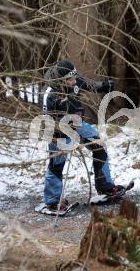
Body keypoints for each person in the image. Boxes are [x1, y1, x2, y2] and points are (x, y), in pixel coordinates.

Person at [41, 60, 123, 213]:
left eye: (74, 77)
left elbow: (88, 84)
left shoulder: (74, 79)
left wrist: (104, 86)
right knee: (57, 164)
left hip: (78, 124)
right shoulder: (50, 93)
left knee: (99, 146)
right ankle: (52, 201)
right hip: (58, 132)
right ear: (60, 80)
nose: (73, 82)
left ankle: (105, 186)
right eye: (69, 80)